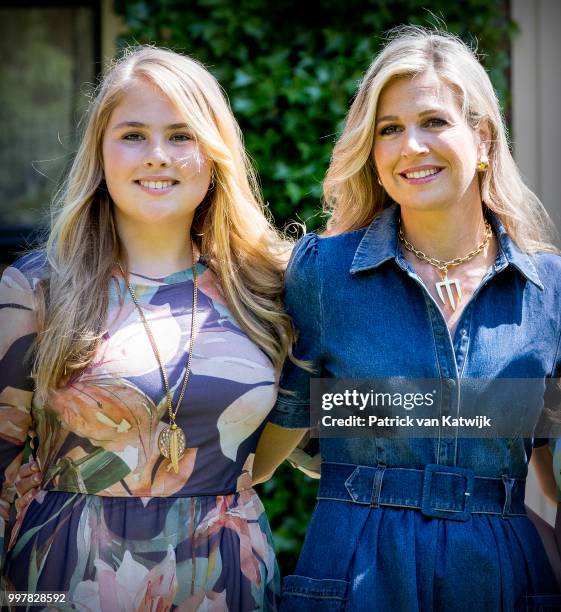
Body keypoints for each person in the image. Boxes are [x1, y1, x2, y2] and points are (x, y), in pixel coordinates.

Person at [254, 26, 561, 610]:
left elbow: (550, 465)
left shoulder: (550, 291)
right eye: (389, 129)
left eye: (434, 122)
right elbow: (271, 445)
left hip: (504, 572)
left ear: (485, 138)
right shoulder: (323, 274)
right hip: (355, 568)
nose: (410, 146)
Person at [0, 45, 296, 610]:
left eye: (182, 135)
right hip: (64, 582)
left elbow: (313, 429)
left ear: (215, 155)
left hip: (228, 583)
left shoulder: (266, 286)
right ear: (101, 154)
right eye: (133, 134)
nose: (157, 155)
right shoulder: (35, 288)